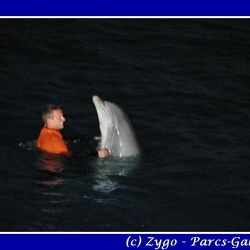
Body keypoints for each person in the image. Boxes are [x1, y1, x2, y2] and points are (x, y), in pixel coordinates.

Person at [37, 104, 109, 158]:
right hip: (57, 172)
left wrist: (92, 138)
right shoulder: (56, 141)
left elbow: (66, 140)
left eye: (63, 116)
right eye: (60, 118)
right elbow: (71, 158)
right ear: (49, 121)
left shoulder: (44, 131)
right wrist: (97, 154)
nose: (64, 119)